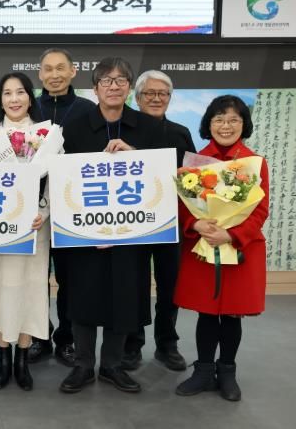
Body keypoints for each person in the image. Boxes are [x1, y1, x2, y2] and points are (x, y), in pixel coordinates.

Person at [58, 57, 167, 394]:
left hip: (131, 234)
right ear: (95, 88)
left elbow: (161, 178)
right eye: (106, 80)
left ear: (129, 87)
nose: (114, 86)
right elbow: (64, 182)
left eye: (121, 80)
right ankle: (82, 365)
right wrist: (88, 230)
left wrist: (134, 156)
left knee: (124, 296)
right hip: (86, 234)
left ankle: (112, 365)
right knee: (84, 297)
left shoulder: (149, 127)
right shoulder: (74, 128)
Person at [174, 95, 269, 402]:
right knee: (206, 312)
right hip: (204, 246)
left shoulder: (255, 163)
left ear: (243, 124)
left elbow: (260, 210)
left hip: (241, 249)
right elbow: (183, 205)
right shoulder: (195, 162)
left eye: (233, 120)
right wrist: (196, 224)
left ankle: (227, 371)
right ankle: (203, 370)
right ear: (209, 124)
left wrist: (231, 234)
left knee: (231, 314)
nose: (225, 126)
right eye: (219, 119)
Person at [122, 70, 196, 371]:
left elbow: (193, 181)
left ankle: (167, 344)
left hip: (170, 222)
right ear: (137, 98)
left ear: (169, 98)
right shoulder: (122, 130)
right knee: (134, 285)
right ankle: (132, 344)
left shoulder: (180, 133)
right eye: (149, 93)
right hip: (133, 223)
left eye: (162, 94)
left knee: (170, 284)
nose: (156, 98)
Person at [0, 72, 49, 391]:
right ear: (1, 99)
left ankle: (22, 359)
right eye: (7, 93)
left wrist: (42, 213)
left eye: (20, 92)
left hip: (35, 227)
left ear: (30, 98)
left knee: (31, 290)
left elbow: (54, 180)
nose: (14, 99)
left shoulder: (47, 134)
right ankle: (3, 358)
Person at [29, 48, 95, 366]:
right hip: (33, 211)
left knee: (71, 279)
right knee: (36, 277)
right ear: (40, 74)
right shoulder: (29, 109)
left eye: (60, 68)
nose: (54, 75)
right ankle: (39, 336)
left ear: (73, 71)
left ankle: (66, 339)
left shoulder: (88, 110)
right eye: (48, 69)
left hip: (73, 208)